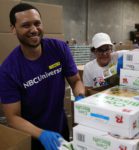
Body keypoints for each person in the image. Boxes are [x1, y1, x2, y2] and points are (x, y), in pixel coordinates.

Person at [0, 3, 85, 150]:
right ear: (13, 29)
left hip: (61, 129)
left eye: (37, 23)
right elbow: (12, 117)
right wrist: (42, 134)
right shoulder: (8, 70)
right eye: (26, 25)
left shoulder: (59, 49)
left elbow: (76, 80)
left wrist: (80, 97)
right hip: (33, 137)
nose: (34, 29)